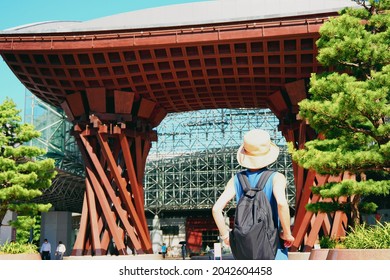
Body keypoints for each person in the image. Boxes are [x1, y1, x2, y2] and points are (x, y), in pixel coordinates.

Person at [212, 129, 295, 260]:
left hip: (245, 248)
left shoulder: (236, 179)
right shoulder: (276, 177)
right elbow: (281, 203)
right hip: (273, 247)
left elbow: (216, 209)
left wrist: (226, 236)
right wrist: (287, 234)